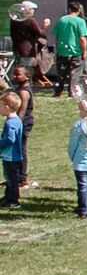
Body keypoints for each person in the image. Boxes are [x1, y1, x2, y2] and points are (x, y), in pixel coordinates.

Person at [52, 2, 87, 97]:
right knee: (75, 73)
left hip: (62, 50)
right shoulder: (80, 21)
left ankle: (58, 91)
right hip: (76, 51)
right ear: (79, 10)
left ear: (69, 9)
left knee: (61, 73)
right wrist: (84, 51)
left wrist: (57, 47)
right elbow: (82, 38)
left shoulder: (62, 20)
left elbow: (56, 36)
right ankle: (72, 92)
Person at [8, 58, 34, 188]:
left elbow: (21, 112)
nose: (14, 76)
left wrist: (14, 127)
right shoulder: (20, 88)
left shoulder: (24, 92)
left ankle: (21, 178)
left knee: (20, 150)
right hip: (21, 124)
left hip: (23, 124)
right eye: (14, 73)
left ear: (27, 76)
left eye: (18, 74)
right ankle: (15, 176)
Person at [0, 91, 24, 209]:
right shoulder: (16, 120)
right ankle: (8, 197)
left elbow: (10, 139)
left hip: (11, 156)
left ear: (6, 107)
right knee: (9, 177)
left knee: (11, 178)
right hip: (11, 155)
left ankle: (13, 200)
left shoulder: (11, 123)